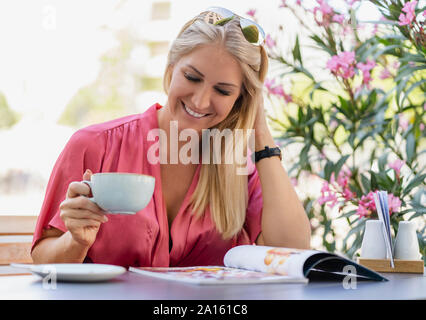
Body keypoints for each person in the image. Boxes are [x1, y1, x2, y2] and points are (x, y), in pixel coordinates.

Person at [31, 7, 311, 267]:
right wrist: (76, 240)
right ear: (171, 68)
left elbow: (292, 249)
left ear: (241, 99)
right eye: (192, 77)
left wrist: (260, 131)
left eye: (223, 91)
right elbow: (43, 257)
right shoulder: (94, 145)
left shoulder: (240, 168)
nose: (200, 101)